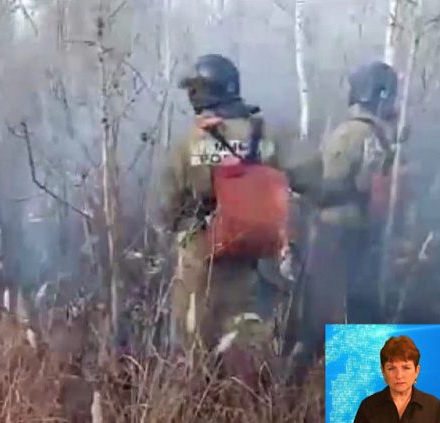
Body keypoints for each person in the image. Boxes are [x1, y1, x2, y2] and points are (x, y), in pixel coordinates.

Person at [161, 54, 291, 388]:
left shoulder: (192, 142)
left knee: (197, 355)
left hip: (204, 261)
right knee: (252, 353)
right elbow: (311, 177)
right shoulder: (265, 134)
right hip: (258, 259)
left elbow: (166, 207)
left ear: (202, 93)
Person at [288, 61, 414, 371]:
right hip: (356, 236)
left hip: (333, 235)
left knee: (319, 317)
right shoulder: (374, 136)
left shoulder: (349, 133)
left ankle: (291, 396)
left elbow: (326, 182)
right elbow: (368, 186)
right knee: (354, 316)